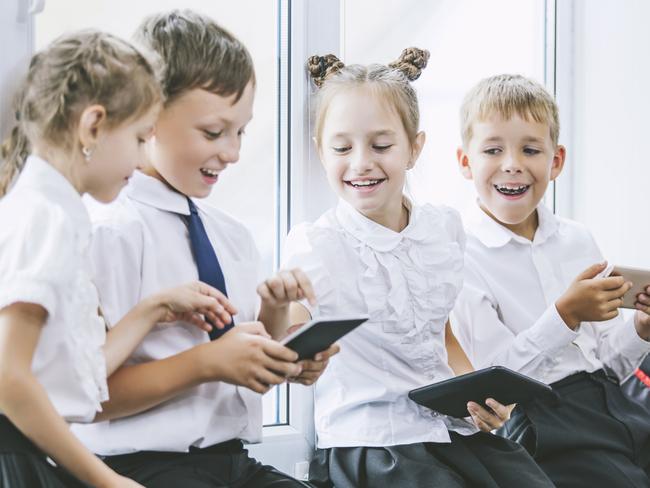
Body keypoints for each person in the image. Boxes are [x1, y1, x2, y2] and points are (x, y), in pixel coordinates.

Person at [73, 10, 334, 487]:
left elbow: (237, 362)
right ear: (146, 117)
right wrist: (206, 363)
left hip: (232, 461)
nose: (232, 152)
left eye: (241, 132)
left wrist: (281, 341)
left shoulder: (231, 234)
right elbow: (87, 398)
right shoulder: (112, 232)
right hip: (142, 468)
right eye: (214, 133)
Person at [279, 49, 553, 488]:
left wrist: (478, 398)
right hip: (374, 446)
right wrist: (294, 353)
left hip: (447, 434)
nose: (362, 162)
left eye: (382, 145)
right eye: (342, 148)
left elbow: (441, 335)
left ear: (414, 148)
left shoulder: (442, 228)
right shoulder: (316, 244)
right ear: (320, 152)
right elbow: (292, 338)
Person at [0, 30, 236, 488]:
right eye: (138, 137)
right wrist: (108, 480)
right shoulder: (45, 218)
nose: (142, 155)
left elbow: (68, 375)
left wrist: (151, 310)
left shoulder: (44, 209)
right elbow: (9, 378)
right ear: (93, 127)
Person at [452, 73, 650, 487]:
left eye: (530, 149)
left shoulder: (577, 239)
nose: (512, 163)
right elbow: (496, 384)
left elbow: (610, 364)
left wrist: (640, 330)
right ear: (466, 162)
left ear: (555, 161)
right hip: (543, 423)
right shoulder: (461, 256)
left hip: (614, 405)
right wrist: (565, 315)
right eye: (493, 149)